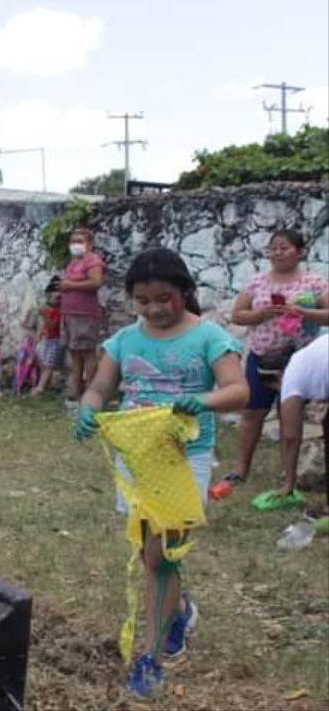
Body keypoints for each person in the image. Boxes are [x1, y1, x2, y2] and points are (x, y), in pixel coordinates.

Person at [73, 248, 248, 698]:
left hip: (185, 458)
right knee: (161, 553)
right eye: (143, 300)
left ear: (184, 292)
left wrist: (202, 402)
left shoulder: (209, 337)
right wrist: (89, 410)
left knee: (158, 556)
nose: (154, 308)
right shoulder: (125, 341)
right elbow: (100, 386)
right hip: (136, 457)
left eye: (164, 298)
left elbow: (237, 391)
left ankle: (150, 655)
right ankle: (180, 610)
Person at [226, 229, 329, 484]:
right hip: (262, 355)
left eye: (284, 247)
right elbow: (237, 315)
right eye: (273, 248)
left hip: (298, 360)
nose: (278, 252)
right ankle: (241, 470)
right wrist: (262, 314)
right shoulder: (258, 282)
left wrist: (303, 312)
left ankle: (287, 475)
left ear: (300, 252)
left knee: (289, 416)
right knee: (252, 412)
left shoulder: (314, 283)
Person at [254, 335, 329, 511]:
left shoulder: (290, 380)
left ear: (277, 377)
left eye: (277, 390)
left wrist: (289, 483)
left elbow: (290, 437)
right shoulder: (304, 358)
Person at [59, 227, 107, 408]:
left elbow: (96, 282)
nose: (75, 245)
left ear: (89, 244)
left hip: (85, 314)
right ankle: (75, 393)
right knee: (74, 353)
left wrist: (70, 284)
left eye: (80, 241)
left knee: (87, 353)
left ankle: (91, 394)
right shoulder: (73, 262)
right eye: (73, 241)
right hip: (70, 313)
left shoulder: (93, 260)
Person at [32, 278, 65, 398]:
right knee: (45, 364)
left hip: (55, 340)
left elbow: (52, 325)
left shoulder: (57, 311)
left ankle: (40, 388)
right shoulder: (50, 310)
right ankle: (46, 386)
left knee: (48, 365)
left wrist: (44, 315)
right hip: (47, 340)